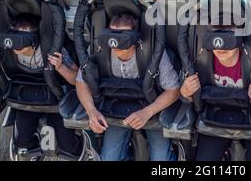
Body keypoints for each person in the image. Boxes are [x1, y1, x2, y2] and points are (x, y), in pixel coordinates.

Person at [76, 13, 180, 161]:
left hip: (152, 107)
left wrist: (147, 112)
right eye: (113, 34)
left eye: (123, 36)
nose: (116, 42)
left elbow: (173, 90)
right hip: (115, 106)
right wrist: (91, 110)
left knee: (161, 158)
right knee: (109, 158)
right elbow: (81, 81)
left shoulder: (153, 51)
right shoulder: (98, 49)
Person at [0, 13, 82, 157]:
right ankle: (37, 149)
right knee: (20, 141)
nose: (15, 44)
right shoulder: (6, 50)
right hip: (26, 96)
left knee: (68, 145)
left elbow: (78, 79)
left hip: (57, 98)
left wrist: (60, 68)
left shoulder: (53, 48)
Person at [181, 24, 251, 161]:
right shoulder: (200, 57)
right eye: (217, 34)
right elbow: (190, 95)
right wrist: (185, 92)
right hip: (214, 117)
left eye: (228, 35)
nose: (221, 44)